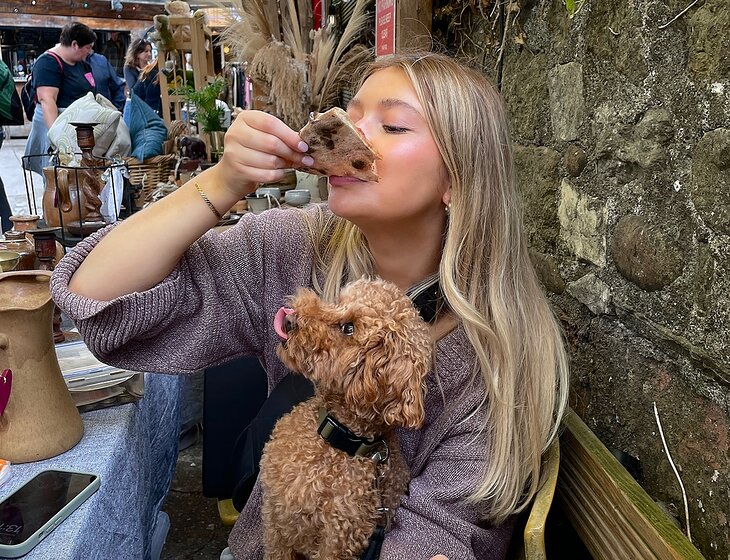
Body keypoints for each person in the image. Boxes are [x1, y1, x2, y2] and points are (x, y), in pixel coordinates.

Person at [51, 52, 569, 560]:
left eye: (392, 125)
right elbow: (98, 300)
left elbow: (442, 533)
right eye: (351, 115)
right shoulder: (301, 247)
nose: (349, 134)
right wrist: (223, 182)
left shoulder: (493, 364)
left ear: (456, 179)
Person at [23, 22, 97, 177]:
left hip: (80, 130)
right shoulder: (47, 63)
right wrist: (57, 140)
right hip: (57, 126)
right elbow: (47, 100)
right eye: (88, 47)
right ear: (75, 45)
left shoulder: (82, 64)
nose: (90, 51)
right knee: (59, 179)